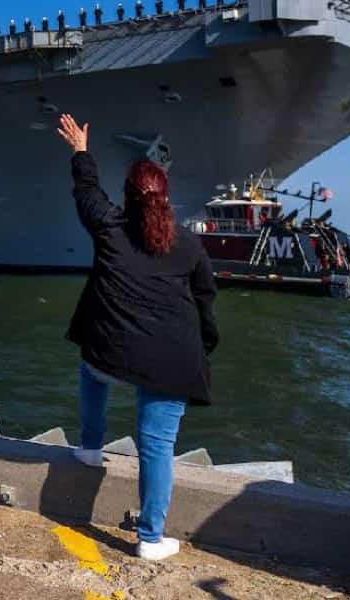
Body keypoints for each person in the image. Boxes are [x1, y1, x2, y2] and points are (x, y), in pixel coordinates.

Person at [56, 114, 218, 562]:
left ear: (127, 197)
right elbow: (206, 297)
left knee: (92, 372)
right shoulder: (188, 245)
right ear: (167, 199)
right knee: (157, 445)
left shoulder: (109, 228)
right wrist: (206, 342)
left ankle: (90, 447)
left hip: (111, 350)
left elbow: (87, 193)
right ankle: (150, 538)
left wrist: (81, 151)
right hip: (170, 360)